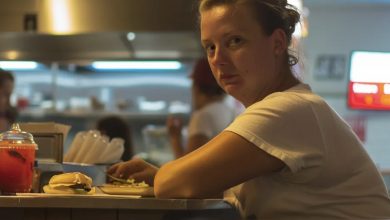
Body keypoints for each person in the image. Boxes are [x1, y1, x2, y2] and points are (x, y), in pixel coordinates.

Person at [108, 0, 390, 219]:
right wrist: (161, 174)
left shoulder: (289, 109)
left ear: (278, 43)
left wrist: (163, 175)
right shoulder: (290, 107)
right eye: (210, 47)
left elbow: (176, 183)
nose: (218, 59)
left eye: (235, 41)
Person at [166, 58, 235, 158]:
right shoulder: (228, 109)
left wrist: (175, 137)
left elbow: (188, 168)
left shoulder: (202, 116)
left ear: (196, 87)